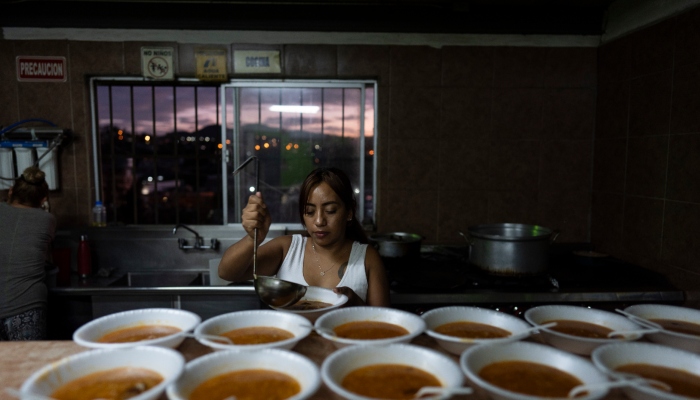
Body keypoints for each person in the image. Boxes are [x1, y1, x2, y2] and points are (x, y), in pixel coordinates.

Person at [219, 167, 390, 307]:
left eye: (330, 211)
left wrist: (354, 303)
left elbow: (383, 328)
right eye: (309, 211)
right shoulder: (288, 249)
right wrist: (253, 238)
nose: (319, 221)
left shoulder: (367, 259)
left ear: (349, 212)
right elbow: (227, 272)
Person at [0, 166, 56, 340]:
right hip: (27, 305)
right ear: (43, 199)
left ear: (11, 191)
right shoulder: (47, 219)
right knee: (30, 364)